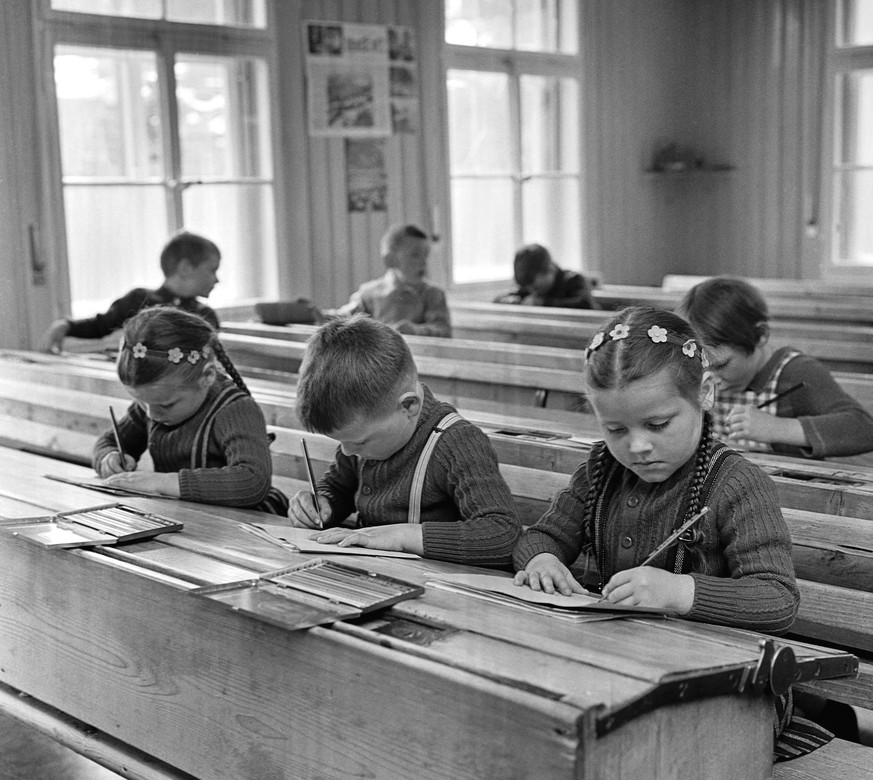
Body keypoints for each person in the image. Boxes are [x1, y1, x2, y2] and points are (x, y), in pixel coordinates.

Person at [512, 306, 829, 761]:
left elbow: (777, 599)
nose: (637, 446)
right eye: (615, 428)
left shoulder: (736, 484)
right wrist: (541, 560)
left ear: (703, 393)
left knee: (633, 753)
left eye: (658, 425)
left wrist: (679, 591)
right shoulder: (601, 471)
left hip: (727, 693)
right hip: (626, 671)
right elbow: (538, 538)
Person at [287, 314, 520, 565]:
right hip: (373, 572)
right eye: (342, 442)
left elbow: (503, 534)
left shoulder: (457, 443)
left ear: (408, 406)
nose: (347, 451)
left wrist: (403, 536)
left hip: (437, 588)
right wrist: (321, 504)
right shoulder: (360, 437)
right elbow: (339, 487)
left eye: (359, 442)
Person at [93, 306, 288, 515]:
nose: (150, 414)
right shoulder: (154, 401)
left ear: (207, 376)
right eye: (141, 403)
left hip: (249, 522)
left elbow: (252, 481)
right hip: (190, 518)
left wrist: (163, 482)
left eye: (167, 405)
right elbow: (108, 442)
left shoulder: (235, 409)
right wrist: (109, 458)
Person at [678, 275, 873, 458]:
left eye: (721, 365)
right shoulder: (698, 375)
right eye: (699, 365)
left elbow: (864, 428)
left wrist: (778, 428)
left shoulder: (797, 373)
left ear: (761, 335)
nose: (709, 377)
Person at [40, 230, 221, 354]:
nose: (216, 279)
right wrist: (65, 325)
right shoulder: (138, 300)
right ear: (185, 268)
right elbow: (101, 325)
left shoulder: (204, 316)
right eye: (212, 270)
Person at [332, 223, 451, 337]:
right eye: (415, 255)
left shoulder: (433, 294)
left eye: (426, 255)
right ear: (390, 260)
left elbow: (443, 330)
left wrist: (415, 330)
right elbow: (344, 318)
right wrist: (320, 315)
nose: (423, 262)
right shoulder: (369, 294)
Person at [494, 243, 597, 308]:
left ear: (549, 270)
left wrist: (541, 302)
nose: (532, 290)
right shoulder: (528, 287)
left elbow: (584, 303)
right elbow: (499, 299)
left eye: (534, 286)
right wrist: (509, 301)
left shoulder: (573, 280)